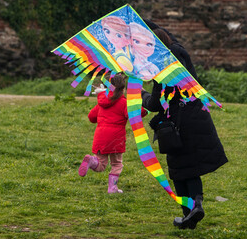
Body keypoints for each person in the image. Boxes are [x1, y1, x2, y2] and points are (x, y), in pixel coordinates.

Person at [141, 20, 228, 229]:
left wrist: (140, 95)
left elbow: (154, 104)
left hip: (175, 125)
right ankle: (197, 203)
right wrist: (142, 21)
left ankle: (188, 213)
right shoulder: (178, 51)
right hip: (197, 117)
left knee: (179, 169)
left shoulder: (161, 68)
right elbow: (165, 34)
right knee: (193, 167)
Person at [78, 73, 147, 193]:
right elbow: (132, 114)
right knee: (116, 164)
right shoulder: (124, 103)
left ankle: (92, 161)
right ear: (123, 88)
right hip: (116, 139)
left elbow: (91, 117)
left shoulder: (101, 102)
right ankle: (112, 188)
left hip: (100, 137)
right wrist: (145, 110)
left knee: (100, 165)